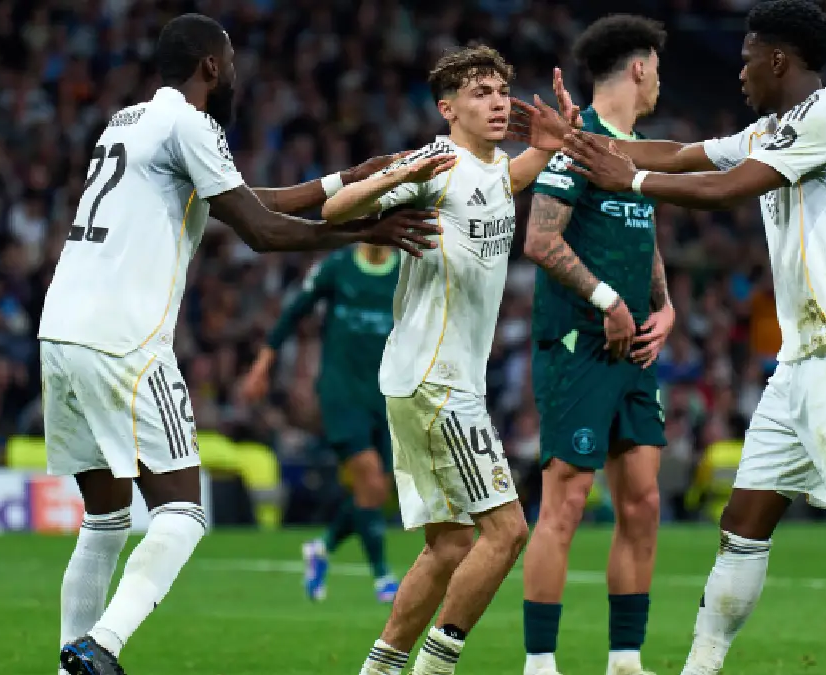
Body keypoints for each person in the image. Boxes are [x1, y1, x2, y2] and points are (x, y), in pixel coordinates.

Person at [559, 2, 826, 674]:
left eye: (747, 57)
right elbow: (683, 155)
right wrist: (582, 143)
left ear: (779, 59)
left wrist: (626, 178)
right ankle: (700, 666)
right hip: (799, 362)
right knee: (742, 523)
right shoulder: (772, 129)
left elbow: (723, 189)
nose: (739, 70)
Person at [42, 13, 439, 675]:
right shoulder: (190, 125)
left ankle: (70, 668)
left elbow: (243, 197)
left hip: (62, 329)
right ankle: (100, 646)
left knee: (107, 517)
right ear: (210, 67)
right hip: (125, 339)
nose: (235, 73)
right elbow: (262, 229)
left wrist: (350, 179)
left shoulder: (128, 121)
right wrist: (369, 226)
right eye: (230, 61)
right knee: (183, 512)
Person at [320, 46, 574, 675]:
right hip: (436, 381)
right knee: (508, 531)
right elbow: (332, 210)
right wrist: (392, 181)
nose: (495, 101)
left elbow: (515, 175)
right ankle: (439, 665)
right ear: (448, 108)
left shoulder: (492, 171)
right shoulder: (435, 164)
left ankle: (381, 668)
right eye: (479, 91)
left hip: (437, 379)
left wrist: (552, 140)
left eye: (500, 90)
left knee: (451, 543)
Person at [519, 15, 672, 675]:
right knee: (568, 498)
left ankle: (625, 659)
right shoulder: (578, 146)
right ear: (638, 68)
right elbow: (540, 239)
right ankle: (540, 662)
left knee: (642, 498)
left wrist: (665, 306)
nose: (661, 80)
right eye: (657, 68)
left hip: (634, 352)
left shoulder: (631, 152)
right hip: (579, 345)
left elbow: (642, 234)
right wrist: (609, 300)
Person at [241, 242, 401, 603]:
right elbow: (293, 313)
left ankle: (322, 546)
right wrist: (262, 366)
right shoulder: (337, 267)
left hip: (388, 393)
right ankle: (383, 579)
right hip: (341, 393)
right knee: (370, 478)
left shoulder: (405, 268)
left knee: (377, 490)